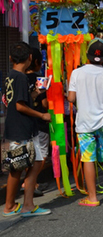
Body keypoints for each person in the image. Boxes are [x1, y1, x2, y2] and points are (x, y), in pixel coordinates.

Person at [2, 42, 51, 217]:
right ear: (30, 58)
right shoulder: (21, 78)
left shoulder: (11, 75)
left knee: (28, 164)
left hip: (18, 127)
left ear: (10, 58)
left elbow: (17, 100)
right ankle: (15, 206)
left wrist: (36, 94)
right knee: (20, 167)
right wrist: (42, 116)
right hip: (21, 128)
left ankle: (23, 205)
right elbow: (20, 106)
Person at [68, 40, 103, 206]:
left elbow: (71, 98)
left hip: (85, 121)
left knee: (88, 158)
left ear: (88, 56)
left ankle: (93, 198)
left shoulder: (77, 73)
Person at [23, 47, 50, 196]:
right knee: (41, 154)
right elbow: (44, 103)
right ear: (38, 62)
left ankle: (33, 182)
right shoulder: (39, 79)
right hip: (39, 120)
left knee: (29, 154)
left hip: (24, 122)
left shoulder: (19, 78)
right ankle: (29, 182)